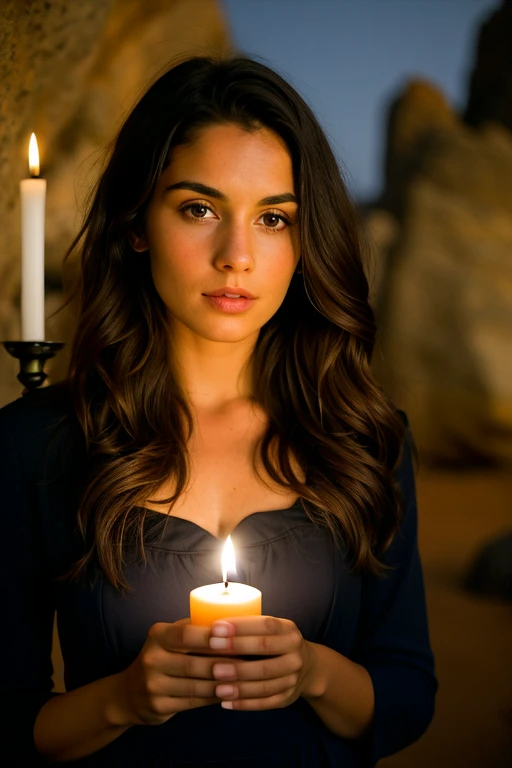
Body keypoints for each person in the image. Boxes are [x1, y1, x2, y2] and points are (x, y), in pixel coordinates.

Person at [1, 55, 437, 767]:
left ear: (306, 242)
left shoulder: (366, 439)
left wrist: (314, 673)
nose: (237, 255)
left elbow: (408, 694)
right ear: (136, 222)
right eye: (199, 208)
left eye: (273, 218)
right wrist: (123, 700)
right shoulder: (36, 444)